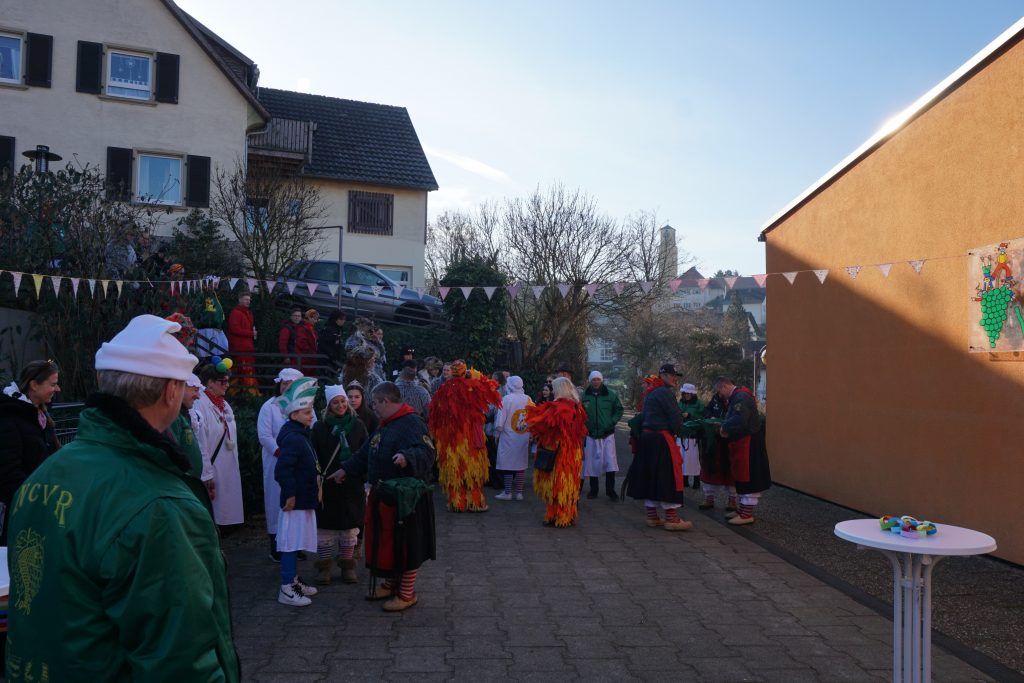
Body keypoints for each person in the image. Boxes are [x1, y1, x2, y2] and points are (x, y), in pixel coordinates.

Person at [4, 315, 239, 681]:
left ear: (103, 382)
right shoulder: (160, 505)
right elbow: (179, 661)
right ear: (171, 393)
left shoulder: (45, 475)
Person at [332, 382, 436, 612]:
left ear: (386, 402)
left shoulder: (412, 422)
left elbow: (428, 452)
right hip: (385, 496)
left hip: (407, 499)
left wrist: (407, 456)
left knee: (407, 545)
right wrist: (346, 469)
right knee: (389, 544)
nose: (373, 408)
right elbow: (368, 450)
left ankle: (407, 593)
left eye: (375, 403)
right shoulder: (386, 424)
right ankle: (390, 584)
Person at [310, 385, 368, 585]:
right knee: (325, 527)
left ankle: (347, 566)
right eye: (336, 402)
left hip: (352, 484)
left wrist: (358, 475)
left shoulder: (358, 425)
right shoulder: (319, 427)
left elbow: (364, 452)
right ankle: (324, 567)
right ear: (329, 405)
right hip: (327, 485)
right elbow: (313, 453)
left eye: (343, 401)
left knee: (349, 526)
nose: (341, 405)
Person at [626, 364, 693, 531]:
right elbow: (675, 418)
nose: (675, 378)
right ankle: (672, 519)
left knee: (651, 476)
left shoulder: (651, 393)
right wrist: (677, 431)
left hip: (647, 439)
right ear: (662, 375)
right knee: (668, 476)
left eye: (676, 375)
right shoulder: (665, 393)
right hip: (661, 439)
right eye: (672, 375)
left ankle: (652, 516)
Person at [273, 377, 322, 606]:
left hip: (303, 498)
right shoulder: (293, 438)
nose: (310, 415)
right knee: (290, 543)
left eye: (311, 410)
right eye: (305, 412)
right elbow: (283, 470)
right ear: (293, 415)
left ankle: (292, 580)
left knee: (297, 540)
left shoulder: (301, 434)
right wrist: (291, 495)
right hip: (296, 500)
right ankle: (286, 587)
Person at [428, 360, 502, 513]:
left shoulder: (442, 390)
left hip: (450, 438)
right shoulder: (473, 387)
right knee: (473, 469)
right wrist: (475, 375)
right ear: (464, 371)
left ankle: (457, 502)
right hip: (471, 435)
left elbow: (434, 415)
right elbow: (492, 388)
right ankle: (475, 502)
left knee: (455, 468)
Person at [0, 360, 61, 544]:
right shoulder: (9, 419)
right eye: (52, 384)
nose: (57, 389)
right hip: (20, 519)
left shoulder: (39, 417)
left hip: (38, 513)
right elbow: (8, 475)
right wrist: (41, 498)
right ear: (34, 385)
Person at [526, 377, 588, 527]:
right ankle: (565, 515)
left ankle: (559, 516)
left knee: (556, 483)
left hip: (559, 451)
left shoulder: (559, 407)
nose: (552, 391)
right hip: (573, 451)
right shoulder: (577, 406)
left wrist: (533, 419)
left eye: (554, 388)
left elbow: (547, 426)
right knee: (568, 483)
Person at [258, 367, 306, 561]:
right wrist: (281, 453)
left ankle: (295, 545)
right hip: (277, 461)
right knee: (276, 501)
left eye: (291, 384)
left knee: (298, 501)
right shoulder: (269, 406)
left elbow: (311, 428)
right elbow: (264, 435)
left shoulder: (304, 405)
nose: (287, 387)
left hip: (299, 463)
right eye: (285, 384)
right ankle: (276, 546)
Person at [192, 361, 244, 529]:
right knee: (211, 514)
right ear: (210, 383)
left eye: (228, 381)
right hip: (212, 468)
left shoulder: (224, 404)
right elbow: (201, 441)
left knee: (223, 513)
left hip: (227, 466)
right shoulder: (200, 403)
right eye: (223, 381)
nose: (227, 385)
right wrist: (207, 474)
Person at [713, 376, 771, 525]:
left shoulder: (740, 397)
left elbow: (740, 418)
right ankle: (743, 509)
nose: (720, 395)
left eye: (720, 391)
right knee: (741, 475)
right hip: (744, 442)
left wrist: (724, 427)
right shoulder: (739, 396)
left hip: (748, 444)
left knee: (748, 476)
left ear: (725, 386)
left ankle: (747, 514)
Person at [167, 373, 213, 516]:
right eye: (195, 390)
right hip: (181, 489)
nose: (198, 396)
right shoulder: (173, 418)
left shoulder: (186, 415)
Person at [581, 370, 624, 501]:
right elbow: (579, 414)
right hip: (591, 435)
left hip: (607, 435)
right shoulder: (584, 396)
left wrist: (611, 421)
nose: (596, 382)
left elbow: (618, 410)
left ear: (602, 380)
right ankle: (593, 490)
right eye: (593, 379)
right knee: (592, 464)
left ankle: (610, 491)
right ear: (590, 380)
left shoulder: (611, 395)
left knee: (610, 464)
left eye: (598, 379)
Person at [493, 376, 532, 501]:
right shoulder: (528, 399)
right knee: (520, 464)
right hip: (523, 435)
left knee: (508, 464)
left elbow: (500, 420)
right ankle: (519, 493)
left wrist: (497, 434)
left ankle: (508, 492)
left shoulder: (506, 399)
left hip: (508, 436)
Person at [227, 292, 258, 393]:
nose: (248, 301)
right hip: (240, 347)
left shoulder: (248, 313)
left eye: (249, 300)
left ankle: (248, 393)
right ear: (240, 300)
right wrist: (250, 333)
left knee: (248, 371)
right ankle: (241, 393)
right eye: (246, 299)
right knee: (240, 371)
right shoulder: (236, 313)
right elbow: (234, 329)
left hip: (248, 347)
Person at [679, 382, 705, 490]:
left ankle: (696, 481)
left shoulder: (699, 404)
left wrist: (690, 415)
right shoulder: (680, 403)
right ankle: (684, 480)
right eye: (685, 393)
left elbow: (702, 417)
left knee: (695, 460)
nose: (686, 395)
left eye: (688, 393)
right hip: (682, 435)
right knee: (683, 458)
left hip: (694, 436)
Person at [194, 289, 228, 360]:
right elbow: (209, 313)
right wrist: (214, 324)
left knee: (216, 351)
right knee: (209, 351)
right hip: (209, 329)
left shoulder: (213, 294)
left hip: (214, 329)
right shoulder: (208, 296)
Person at [319, 310, 347, 378]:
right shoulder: (328, 330)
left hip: (335, 360)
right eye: (341, 319)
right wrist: (332, 356)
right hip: (328, 361)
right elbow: (324, 345)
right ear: (335, 319)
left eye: (344, 319)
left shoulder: (338, 329)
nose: (343, 321)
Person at [296, 309, 320, 375]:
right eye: (315, 318)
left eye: (317, 319)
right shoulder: (304, 328)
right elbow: (302, 343)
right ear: (309, 317)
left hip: (309, 358)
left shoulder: (310, 328)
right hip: (305, 359)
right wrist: (311, 353)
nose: (316, 321)